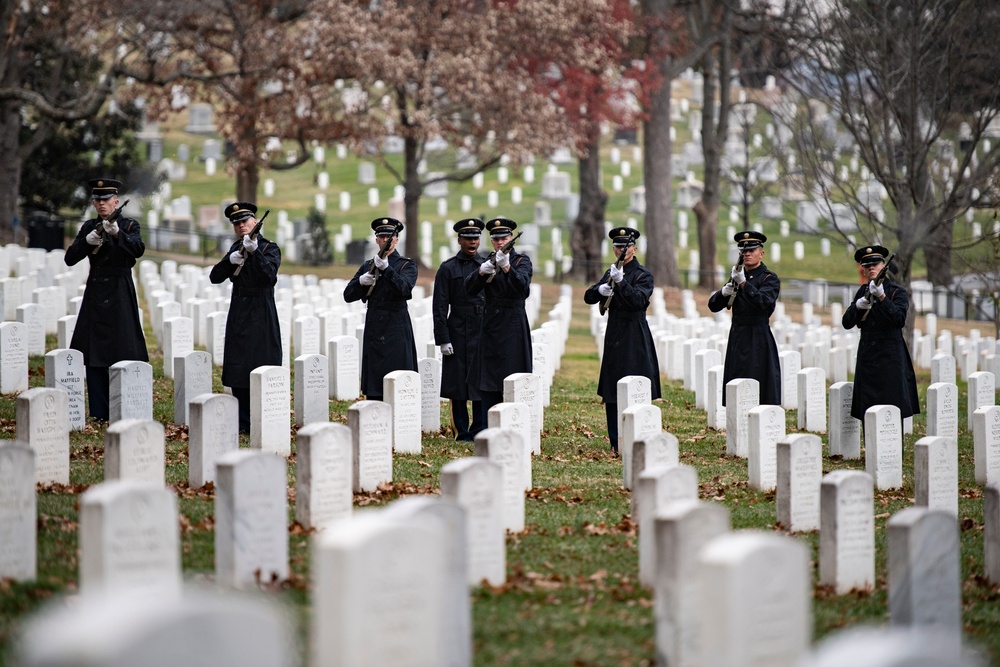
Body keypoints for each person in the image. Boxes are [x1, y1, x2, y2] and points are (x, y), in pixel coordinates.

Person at [65, 178, 149, 421]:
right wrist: (86, 242)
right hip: (96, 289)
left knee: (123, 346)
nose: (102, 204)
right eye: (97, 200)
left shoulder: (130, 225)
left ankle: (124, 404)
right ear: (93, 203)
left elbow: (138, 250)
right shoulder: (90, 226)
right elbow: (70, 258)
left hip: (120, 289)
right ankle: (99, 411)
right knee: (94, 352)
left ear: (116, 201)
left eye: (106, 200)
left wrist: (118, 234)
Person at [583, 227, 661, 453]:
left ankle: (640, 433)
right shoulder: (612, 271)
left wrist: (622, 283)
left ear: (634, 249)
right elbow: (589, 296)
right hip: (615, 332)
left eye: (625, 246)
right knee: (612, 388)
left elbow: (639, 300)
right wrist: (602, 289)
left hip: (635, 334)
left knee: (637, 384)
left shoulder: (642, 274)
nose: (620, 250)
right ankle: (615, 440)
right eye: (617, 246)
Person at [209, 201, 282, 433]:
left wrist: (254, 253)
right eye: (236, 223)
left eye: (244, 221)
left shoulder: (269, 248)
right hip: (240, 311)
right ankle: (242, 422)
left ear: (255, 222)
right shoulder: (234, 248)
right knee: (239, 364)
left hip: (262, 311)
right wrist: (229, 261)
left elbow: (269, 276)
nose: (241, 226)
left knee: (261, 360)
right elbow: (215, 277)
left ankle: (262, 417)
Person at [465, 216, 533, 426]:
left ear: (511, 238)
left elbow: (523, 289)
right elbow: (469, 289)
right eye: (496, 239)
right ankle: (487, 426)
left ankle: (514, 423)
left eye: (504, 238)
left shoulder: (522, 261)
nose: (500, 242)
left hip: (513, 326)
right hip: (491, 327)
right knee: (489, 382)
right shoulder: (486, 259)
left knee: (513, 379)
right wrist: (480, 273)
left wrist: (507, 269)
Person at [842, 245, 920, 425]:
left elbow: (899, 319)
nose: (871, 268)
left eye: (875, 264)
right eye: (866, 265)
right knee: (867, 409)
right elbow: (847, 323)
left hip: (890, 357)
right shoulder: (862, 292)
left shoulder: (896, 292)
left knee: (892, 408)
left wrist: (883, 298)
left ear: (882, 265)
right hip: (868, 357)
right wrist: (857, 307)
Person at [344, 217, 418, 402]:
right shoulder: (368, 265)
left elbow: (404, 289)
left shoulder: (406, 265)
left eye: (390, 237)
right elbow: (348, 295)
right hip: (375, 326)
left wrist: (387, 270)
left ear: (396, 240)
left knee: (399, 382)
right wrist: (361, 282)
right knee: (375, 385)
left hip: (397, 326)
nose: (386, 240)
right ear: (377, 239)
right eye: (382, 236)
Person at [707, 230, 781, 406]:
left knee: (758, 380)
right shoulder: (737, 276)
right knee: (737, 379)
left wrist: (744, 284)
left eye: (751, 250)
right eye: (743, 251)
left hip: (758, 335)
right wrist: (723, 292)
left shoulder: (769, 278)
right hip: (738, 335)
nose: (747, 254)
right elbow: (713, 306)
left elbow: (763, 302)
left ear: (761, 253)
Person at [433, 217, 487, 441]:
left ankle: (480, 429)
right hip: (457, 330)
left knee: (481, 383)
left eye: (475, 238)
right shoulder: (448, 268)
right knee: (458, 385)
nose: (472, 242)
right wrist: (443, 339)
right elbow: (439, 306)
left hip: (481, 330)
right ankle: (461, 431)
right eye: (468, 238)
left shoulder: (485, 266)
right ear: (459, 240)